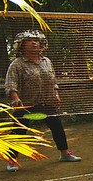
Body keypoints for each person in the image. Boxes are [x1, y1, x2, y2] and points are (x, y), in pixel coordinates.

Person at [4, 30, 80, 170]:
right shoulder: (17, 64)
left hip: (46, 102)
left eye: (36, 41)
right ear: (22, 45)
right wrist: (15, 98)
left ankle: (64, 154)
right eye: (29, 41)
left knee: (57, 127)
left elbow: (53, 81)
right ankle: (12, 161)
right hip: (25, 104)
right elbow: (11, 84)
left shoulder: (46, 61)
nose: (34, 43)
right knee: (18, 131)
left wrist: (56, 95)